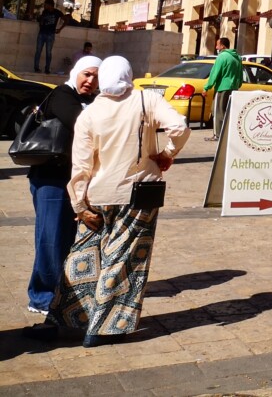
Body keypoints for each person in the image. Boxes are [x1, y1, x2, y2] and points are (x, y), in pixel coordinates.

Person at [35, 56, 190, 347]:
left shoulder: (90, 114)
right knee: (122, 260)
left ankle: (63, 319)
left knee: (83, 257)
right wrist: (166, 154)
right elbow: (180, 127)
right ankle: (102, 329)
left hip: (98, 196)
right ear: (129, 75)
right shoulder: (146, 100)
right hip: (139, 194)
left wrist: (79, 207)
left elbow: (80, 167)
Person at [24, 55, 101, 321]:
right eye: (87, 74)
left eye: (96, 77)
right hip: (52, 179)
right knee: (50, 240)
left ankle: (65, 294)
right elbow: (80, 125)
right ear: (76, 72)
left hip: (77, 182)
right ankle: (43, 296)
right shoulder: (62, 94)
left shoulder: (95, 101)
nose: (91, 81)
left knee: (68, 242)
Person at [202, 38, 243, 140]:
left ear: (223, 46)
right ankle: (227, 134)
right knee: (227, 111)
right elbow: (240, 74)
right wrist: (238, 84)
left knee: (217, 111)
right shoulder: (237, 57)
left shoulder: (222, 57)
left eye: (217, 45)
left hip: (222, 88)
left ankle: (218, 135)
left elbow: (215, 73)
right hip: (233, 87)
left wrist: (207, 87)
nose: (216, 47)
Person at [33, 0, 67, 73]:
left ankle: (47, 68)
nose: (45, 6)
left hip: (50, 34)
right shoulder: (44, 12)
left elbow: (66, 20)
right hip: (42, 33)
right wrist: (40, 22)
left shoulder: (57, 12)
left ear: (50, 5)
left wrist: (60, 29)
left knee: (48, 52)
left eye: (46, 4)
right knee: (38, 51)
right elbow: (41, 21)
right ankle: (36, 67)